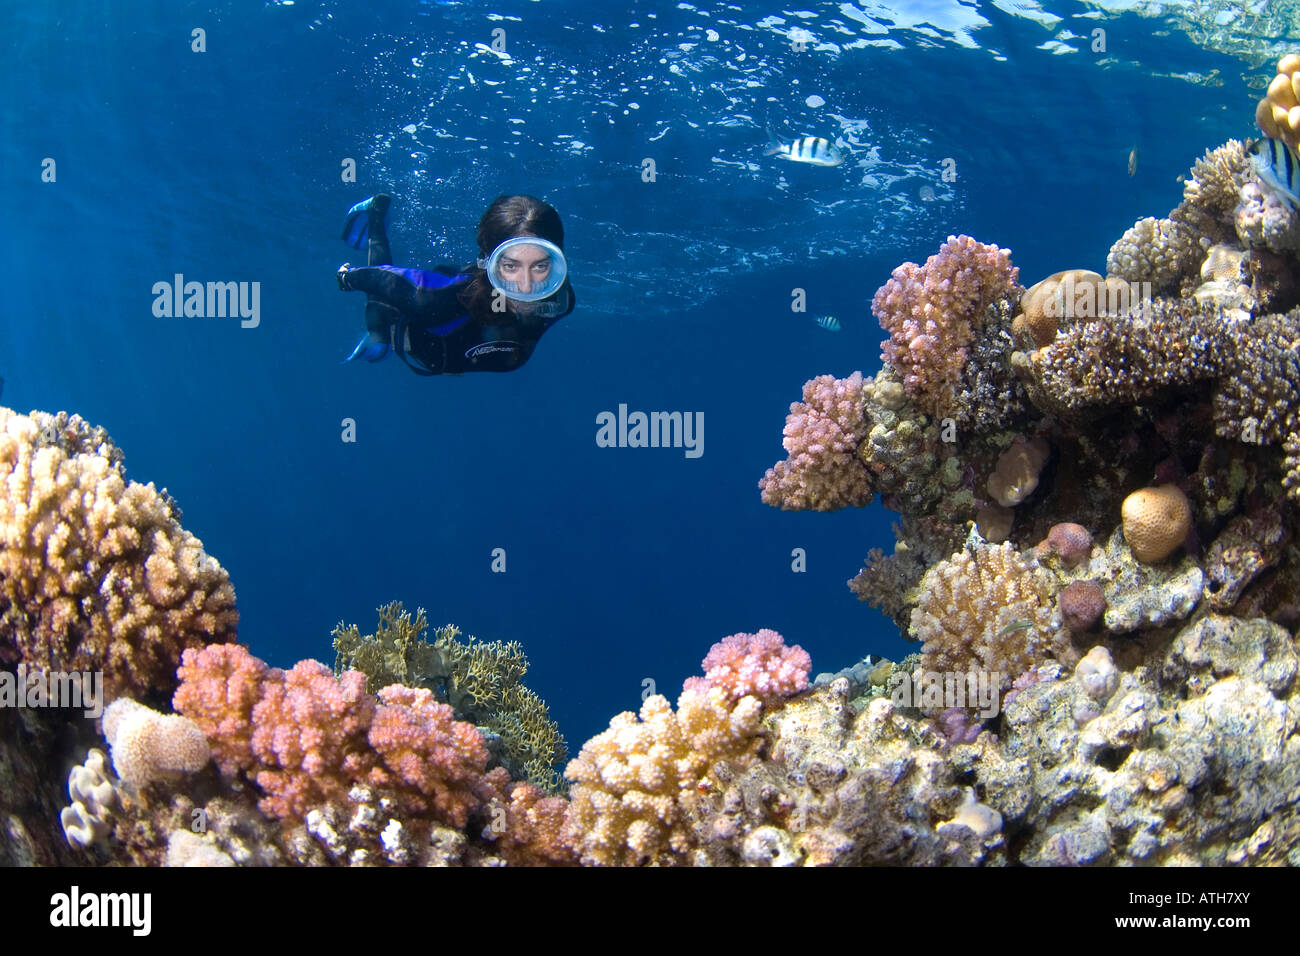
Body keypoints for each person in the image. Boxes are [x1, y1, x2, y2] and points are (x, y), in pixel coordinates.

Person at [336, 193, 575, 375]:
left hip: (452, 351)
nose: (526, 288)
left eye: (541, 266)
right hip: (412, 329)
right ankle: (375, 216)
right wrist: (348, 278)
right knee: (380, 323)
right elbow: (383, 277)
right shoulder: (435, 299)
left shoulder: (561, 301)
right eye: (511, 266)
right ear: (487, 264)